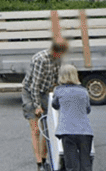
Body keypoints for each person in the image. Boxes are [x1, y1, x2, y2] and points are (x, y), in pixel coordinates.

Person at [21, 37, 68, 171]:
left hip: (46, 92)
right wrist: (37, 106)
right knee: (36, 130)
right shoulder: (41, 60)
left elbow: (58, 80)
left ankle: (44, 158)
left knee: (48, 128)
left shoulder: (59, 59)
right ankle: (39, 165)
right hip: (30, 92)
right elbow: (34, 86)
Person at [51, 64, 93, 171]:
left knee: (72, 166)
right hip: (85, 131)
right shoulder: (84, 91)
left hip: (67, 131)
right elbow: (87, 110)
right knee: (86, 165)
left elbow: (55, 105)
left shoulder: (59, 90)